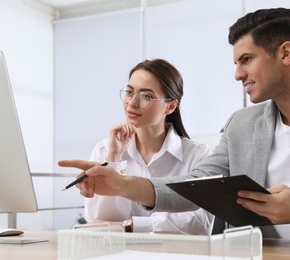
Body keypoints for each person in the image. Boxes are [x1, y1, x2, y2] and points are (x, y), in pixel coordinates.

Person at [59, 8, 290, 241]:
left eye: (246, 60)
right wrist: (123, 184)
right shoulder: (241, 124)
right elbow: (193, 186)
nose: (237, 74)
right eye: (235, 62)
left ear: (285, 53)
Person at [69, 59, 214, 234]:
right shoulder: (105, 149)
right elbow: (98, 222)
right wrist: (114, 158)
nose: (132, 103)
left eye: (146, 96)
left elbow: (200, 222)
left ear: (170, 106)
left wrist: (131, 225)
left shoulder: (197, 155)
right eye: (130, 92)